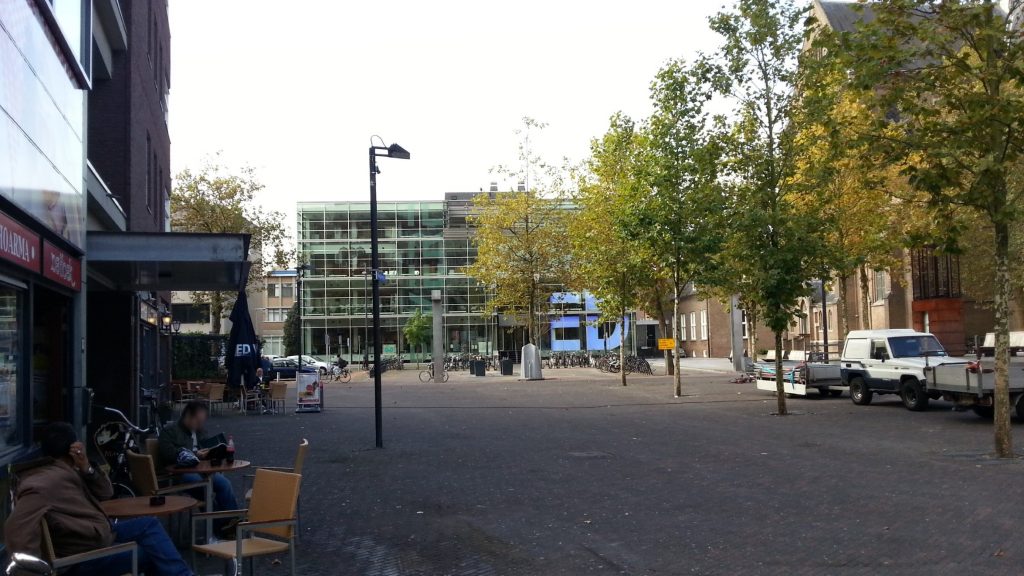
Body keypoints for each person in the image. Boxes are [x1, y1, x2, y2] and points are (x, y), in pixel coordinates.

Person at [5, 423, 193, 576]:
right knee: (153, 553)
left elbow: (106, 493)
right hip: (81, 558)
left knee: (149, 525)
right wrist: (32, 570)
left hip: (96, 536)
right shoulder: (45, 483)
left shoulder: (64, 472)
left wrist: (87, 468)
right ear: (73, 448)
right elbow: (16, 526)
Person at [159, 401, 240, 535]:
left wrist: (213, 453)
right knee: (204, 488)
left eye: (202, 421)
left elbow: (207, 447)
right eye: (198, 421)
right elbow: (168, 454)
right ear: (188, 416)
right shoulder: (169, 431)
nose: (200, 424)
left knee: (225, 484)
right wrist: (194, 454)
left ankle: (233, 521)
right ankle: (221, 526)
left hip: (203, 470)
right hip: (181, 473)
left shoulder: (200, 431)